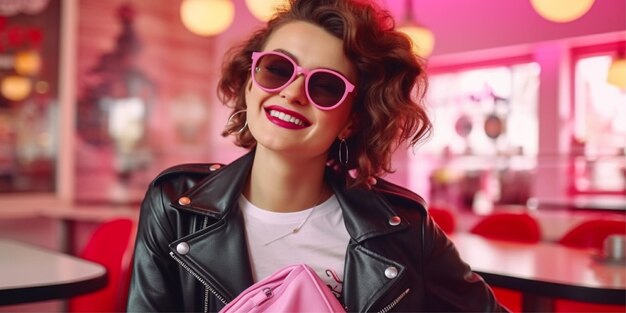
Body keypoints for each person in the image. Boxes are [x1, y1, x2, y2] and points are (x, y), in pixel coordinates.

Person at [127, 0, 507, 312]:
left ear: (351, 120)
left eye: (325, 86)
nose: (292, 94)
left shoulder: (404, 229)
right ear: (248, 82)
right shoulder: (176, 206)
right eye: (277, 69)